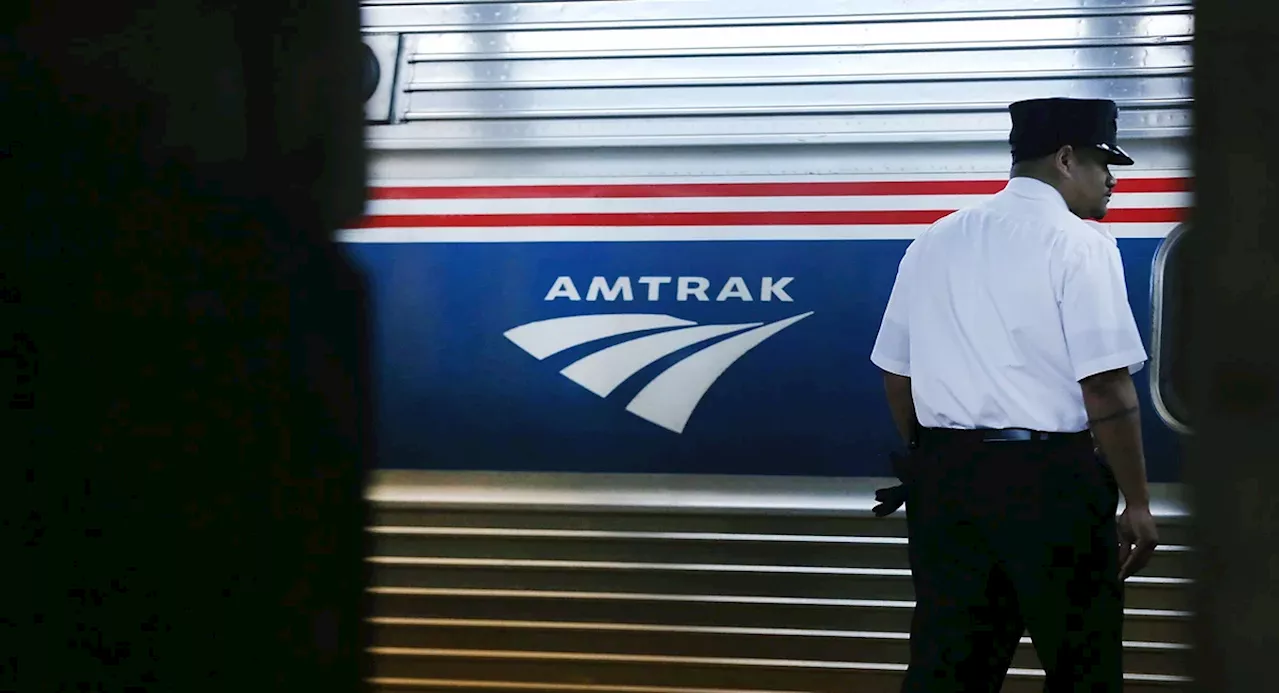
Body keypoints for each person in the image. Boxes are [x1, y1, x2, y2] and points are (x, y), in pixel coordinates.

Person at [869, 97, 1161, 692]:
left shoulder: (935, 239)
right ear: (1065, 158)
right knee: (1084, 667)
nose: (1111, 179)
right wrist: (1137, 503)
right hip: (1051, 483)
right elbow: (1106, 387)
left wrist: (939, 460)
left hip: (947, 488)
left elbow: (897, 378)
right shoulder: (1080, 244)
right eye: (1104, 162)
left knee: (949, 669)